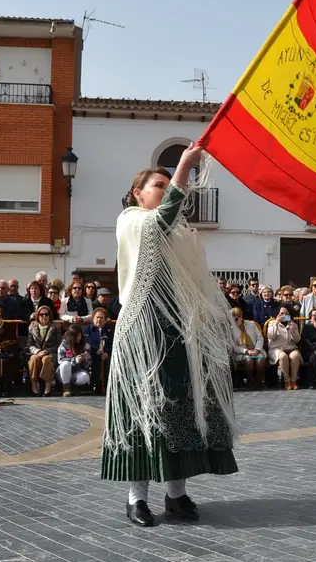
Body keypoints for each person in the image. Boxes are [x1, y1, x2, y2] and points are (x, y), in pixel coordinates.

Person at [102, 144, 238, 528]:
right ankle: (136, 498)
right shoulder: (131, 221)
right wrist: (184, 166)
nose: (164, 189)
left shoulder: (180, 235)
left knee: (181, 409)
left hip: (178, 330)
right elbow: (162, 219)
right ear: (137, 194)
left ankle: (176, 495)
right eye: (157, 185)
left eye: (167, 184)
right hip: (143, 330)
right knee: (143, 409)